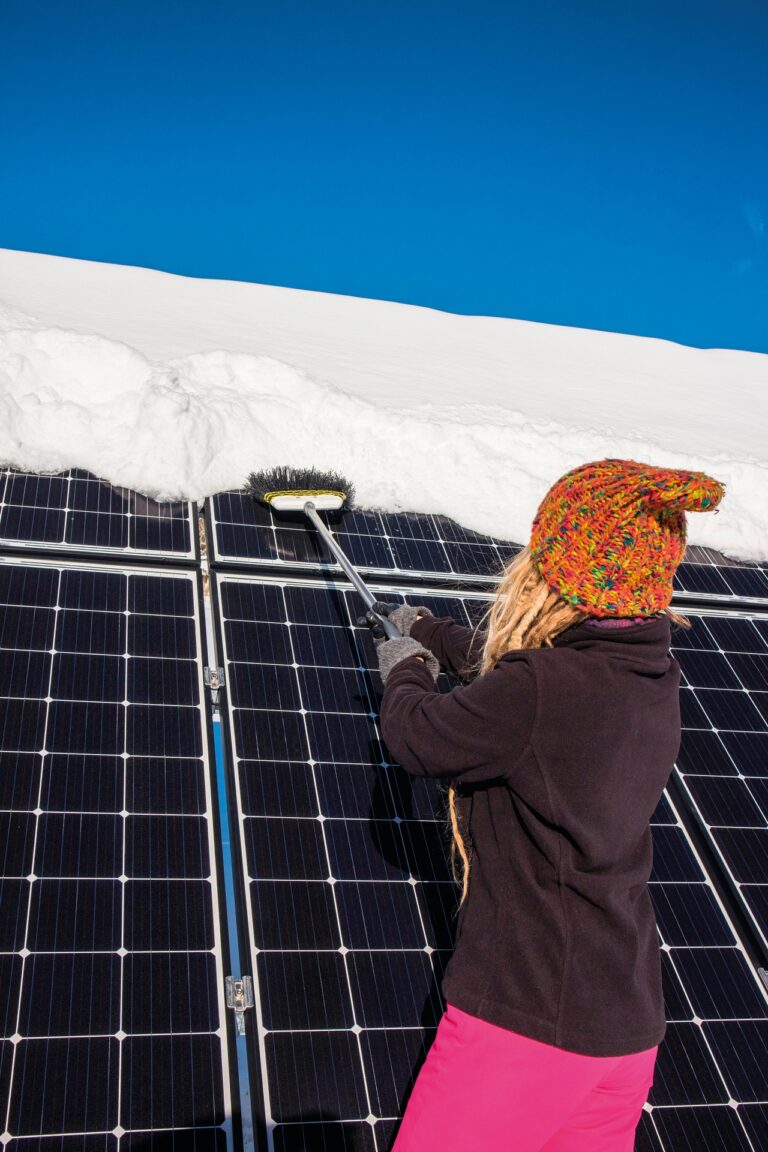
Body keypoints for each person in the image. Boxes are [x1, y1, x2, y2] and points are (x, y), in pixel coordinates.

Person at [366, 458, 725, 1152]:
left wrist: (405, 666)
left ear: (553, 567)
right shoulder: (650, 675)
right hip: (624, 1028)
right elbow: (526, 685)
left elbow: (420, 738)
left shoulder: (541, 689)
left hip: (528, 1026)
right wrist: (434, 631)